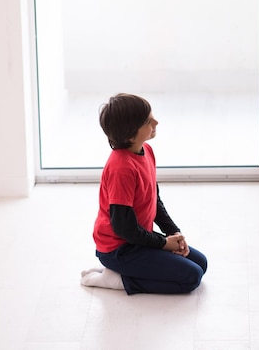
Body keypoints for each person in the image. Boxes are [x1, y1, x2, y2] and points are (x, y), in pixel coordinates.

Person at [80, 93, 208, 295]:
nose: (156, 122)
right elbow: (124, 228)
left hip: (138, 239)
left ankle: (128, 271)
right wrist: (164, 244)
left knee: (201, 263)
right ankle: (117, 279)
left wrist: (173, 233)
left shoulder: (146, 150)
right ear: (130, 135)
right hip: (119, 249)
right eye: (148, 121)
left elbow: (153, 200)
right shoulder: (121, 169)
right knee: (191, 278)